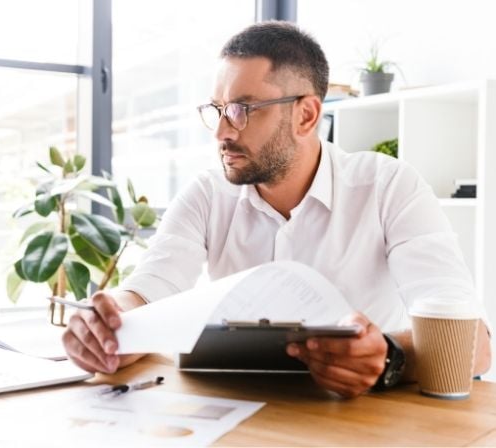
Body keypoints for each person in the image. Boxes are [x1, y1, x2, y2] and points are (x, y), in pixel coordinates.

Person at [62, 21, 491, 398]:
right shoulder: (207, 193)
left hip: (359, 419)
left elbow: (474, 343)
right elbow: (148, 290)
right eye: (217, 110)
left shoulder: (389, 186)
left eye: (242, 110)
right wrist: (106, 324)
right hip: (234, 412)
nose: (222, 133)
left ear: (306, 116)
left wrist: (390, 356)